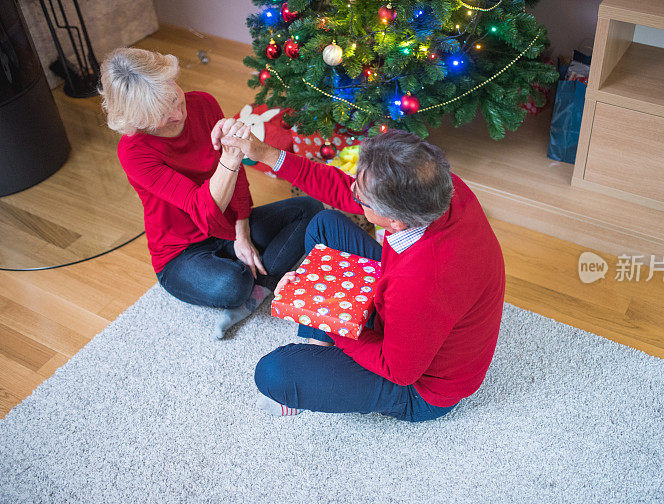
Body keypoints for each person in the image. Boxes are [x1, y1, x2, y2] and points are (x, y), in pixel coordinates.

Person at [218, 127, 506, 422]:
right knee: (324, 225)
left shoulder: (419, 282)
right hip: (409, 307)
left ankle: (321, 360)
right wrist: (266, 153)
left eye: (362, 197)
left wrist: (321, 312)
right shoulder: (440, 187)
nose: (352, 191)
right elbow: (340, 189)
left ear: (394, 221)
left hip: (422, 390)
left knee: (273, 373)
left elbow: (399, 371)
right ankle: (321, 353)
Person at [99, 48, 323, 338]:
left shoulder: (202, 104)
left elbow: (238, 179)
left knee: (310, 209)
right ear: (136, 121)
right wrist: (230, 158)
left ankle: (261, 289)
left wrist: (241, 231)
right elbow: (202, 209)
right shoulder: (133, 151)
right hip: (181, 251)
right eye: (161, 115)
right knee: (233, 285)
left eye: (175, 97)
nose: (178, 114)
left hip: (228, 227)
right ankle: (254, 282)